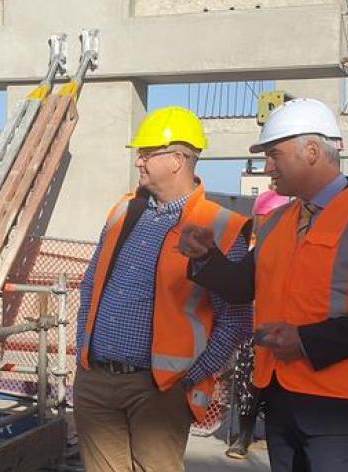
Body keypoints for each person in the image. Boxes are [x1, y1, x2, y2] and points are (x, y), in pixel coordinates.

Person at [179, 98, 348, 472]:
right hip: (280, 399)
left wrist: (306, 341)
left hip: (342, 409)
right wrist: (205, 257)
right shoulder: (275, 221)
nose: (267, 167)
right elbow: (244, 287)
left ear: (311, 151)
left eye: (274, 155)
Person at [74, 106, 253, 472]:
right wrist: (83, 354)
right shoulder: (123, 212)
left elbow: (235, 320)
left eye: (147, 153)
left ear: (176, 160)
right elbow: (91, 284)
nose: (138, 162)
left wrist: (186, 379)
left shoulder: (222, 225)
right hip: (96, 380)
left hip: (160, 389)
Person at [225, 186, 290, 460]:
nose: (264, 223)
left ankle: (276, 433)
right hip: (252, 327)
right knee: (246, 382)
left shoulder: (293, 247)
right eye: (261, 218)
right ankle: (245, 434)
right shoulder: (253, 249)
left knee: (277, 385)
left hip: (281, 329)